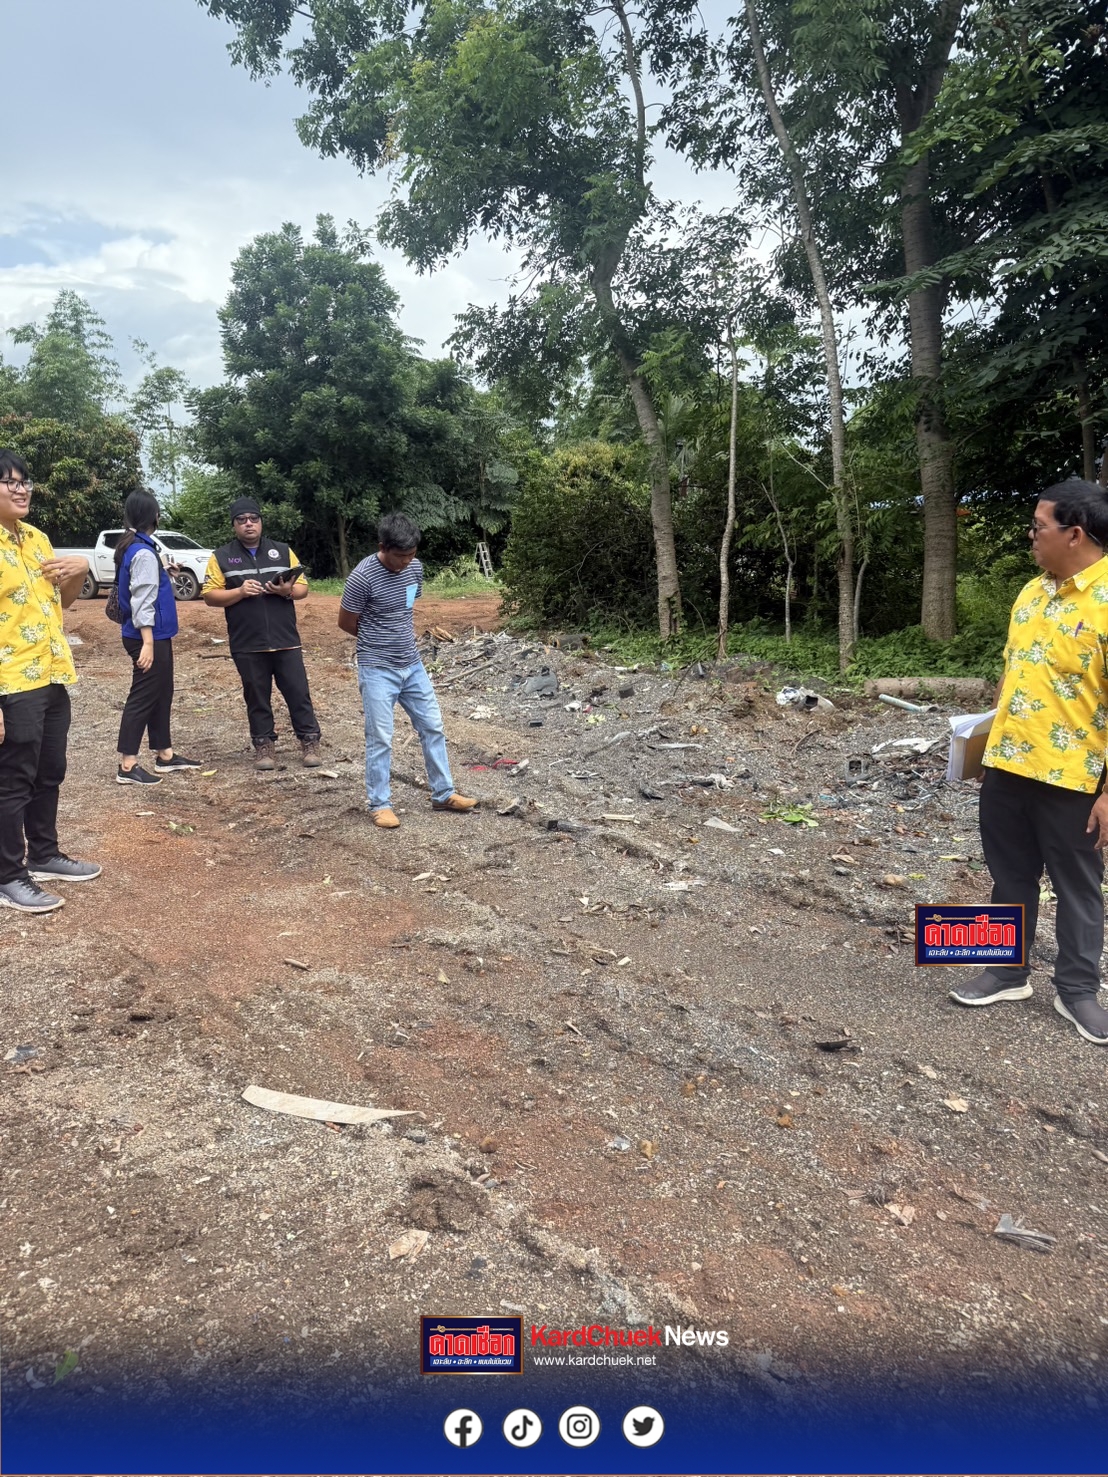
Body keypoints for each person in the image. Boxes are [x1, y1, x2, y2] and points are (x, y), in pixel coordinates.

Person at [950, 478, 1108, 1045]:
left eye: (1039, 527)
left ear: (1076, 533)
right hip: (1008, 766)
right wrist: (980, 746)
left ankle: (1078, 992)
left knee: (1078, 886)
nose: (1031, 536)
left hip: (1076, 778)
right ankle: (1006, 971)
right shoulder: (1031, 593)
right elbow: (1014, 675)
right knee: (1009, 875)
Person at [0, 449, 101, 912]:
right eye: (8, 481)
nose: (21, 489)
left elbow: (65, 601)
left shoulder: (37, 539)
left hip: (52, 671)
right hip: (11, 679)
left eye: (24, 481)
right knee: (13, 778)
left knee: (49, 770)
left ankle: (43, 853)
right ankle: (8, 874)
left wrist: (80, 570)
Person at [338, 512, 476, 828]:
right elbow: (346, 622)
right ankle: (379, 804)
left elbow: (408, 603)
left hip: (412, 665)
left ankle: (443, 794)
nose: (406, 562)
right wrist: (378, 638)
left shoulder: (414, 568)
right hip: (377, 668)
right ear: (382, 547)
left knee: (433, 727)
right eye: (400, 557)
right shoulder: (362, 577)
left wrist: (399, 633)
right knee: (381, 737)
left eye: (411, 555)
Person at [202, 497, 322, 771]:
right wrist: (240, 592)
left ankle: (310, 742)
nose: (248, 524)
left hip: (286, 640)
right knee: (256, 696)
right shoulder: (220, 557)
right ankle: (264, 746)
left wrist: (286, 591)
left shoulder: (282, 551)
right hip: (247, 643)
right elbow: (210, 595)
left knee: (298, 693)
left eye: (253, 519)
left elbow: (302, 588)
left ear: (261, 521)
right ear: (234, 525)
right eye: (242, 520)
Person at [114, 489, 201, 786]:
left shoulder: (136, 546)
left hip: (156, 634)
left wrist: (164, 571)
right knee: (142, 696)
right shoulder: (142, 552)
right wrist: (148, 642)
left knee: (162, 691)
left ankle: (165, 754)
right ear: (154, 516)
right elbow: (141, 600)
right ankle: (127, 764)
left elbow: (141, 583)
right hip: (147, 636)